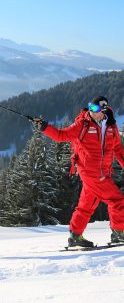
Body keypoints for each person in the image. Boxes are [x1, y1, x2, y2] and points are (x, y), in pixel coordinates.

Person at [34, 95, 124, 247]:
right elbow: (61, 135)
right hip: (90, 172)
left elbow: (117, 149)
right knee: (117, 201)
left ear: (103, 109)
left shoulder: (111, 126)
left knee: (86, 205)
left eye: (94, 108)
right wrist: (45, 127)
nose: (90, 110)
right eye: (90, 106)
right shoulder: (82, 124)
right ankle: (119, 233)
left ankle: (75, 235)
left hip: (103, 172)